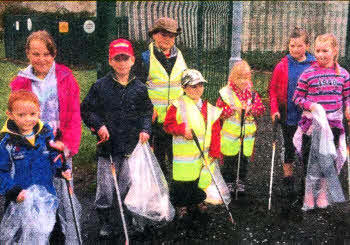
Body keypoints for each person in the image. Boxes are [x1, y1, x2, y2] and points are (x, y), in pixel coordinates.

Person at [10, 30, 82, 244]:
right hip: (30, 146)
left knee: (62, 194)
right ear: (27, 54)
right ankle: (35, 236)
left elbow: (73, 115)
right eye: (35, 54)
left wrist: (67, 144)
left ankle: (66, 237)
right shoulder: (20, 81)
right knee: (33, 193)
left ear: (54, 54)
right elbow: (15, 116)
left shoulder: (66, 77)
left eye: (46, 54)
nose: (41, 59)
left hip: (58, 145)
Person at [81, 38, 153, 238]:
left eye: (125, 58)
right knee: (105, 188)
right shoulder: (100, 86)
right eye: (117, 59)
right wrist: (99, 126)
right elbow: (87, 110)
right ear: (110, 61)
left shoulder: (140, 88)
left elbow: (147, 112)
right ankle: (104, 219)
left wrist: (146, 129)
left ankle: (126, 215)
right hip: (108, 147)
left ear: (132, 60)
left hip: (131, 146)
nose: (122, 63)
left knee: (127, 184)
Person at [0, 90, 71, 242]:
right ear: (10, 114)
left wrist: (62, 169)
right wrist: (12, 191)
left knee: (55, 235)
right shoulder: (7, 143)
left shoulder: (45, 134)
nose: (28, 119)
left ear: (39, 112)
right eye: (21, 115)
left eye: (32, 114)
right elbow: (2, 171)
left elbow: (54, 156)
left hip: (47, 196)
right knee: (22, 237)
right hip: (21, 199)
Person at [293, 33, 350, 210]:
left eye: (325, 50)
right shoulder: (308, 73)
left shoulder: (344, 74)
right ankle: (309, 194)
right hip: (312, 126)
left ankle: (323, 193)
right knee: (312, 160)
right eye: (317, 50)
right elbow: (297, 97)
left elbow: (347, 96)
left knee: (328, 160)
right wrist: (310, 105)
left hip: (333, 126)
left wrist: (348, 106)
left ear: (334, 51)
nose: (320, 54)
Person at [163, 69, 222, 220]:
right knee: (182, 182)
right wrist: (182, 129)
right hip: (184, 158)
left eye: (200, 85)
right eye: (193, 86)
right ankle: (181, 204)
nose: (198, 89)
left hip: (203, 155)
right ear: (184, 88)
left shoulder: (209, 108)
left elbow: (215, 130)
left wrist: (215, 150)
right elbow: (167, 126)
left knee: (200, 180)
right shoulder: (177, 105)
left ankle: (197, 201)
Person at [135, 17, 187, 179]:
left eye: (172, 36)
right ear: (154, 35)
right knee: (156, 158)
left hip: (175, 119)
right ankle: (159, 190)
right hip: (154, 120)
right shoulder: (144, 58)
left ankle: (176, 189)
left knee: (176, 157)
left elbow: (185, 86)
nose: (168, 39)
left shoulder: (180, 57)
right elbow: (137, 89)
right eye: (164, 34)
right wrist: (147, 110)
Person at [269, 27, 315, 206]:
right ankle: (288, 181)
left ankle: (306, 182)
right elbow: (272, 90)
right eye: (292, 45)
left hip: (307, 118)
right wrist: (274, 109)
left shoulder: (314, 65)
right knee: (288, 148)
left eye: (299, 45)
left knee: (306, 150)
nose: (295, 49)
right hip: (287, 117)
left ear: (307, 46)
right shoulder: (282, 65)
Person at [216, 60, 265, 195]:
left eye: (246, 78)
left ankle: (240, 181)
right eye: (240, 78)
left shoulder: (252, 94)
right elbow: (219, 111)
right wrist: (233, 110)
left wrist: (251, 110)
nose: (243, 81)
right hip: (230, 136)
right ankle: (228, 182)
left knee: (243, 160)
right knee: (229, 160)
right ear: (233, 77)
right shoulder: (226, 93)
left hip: (246, 136)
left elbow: (261, 109)